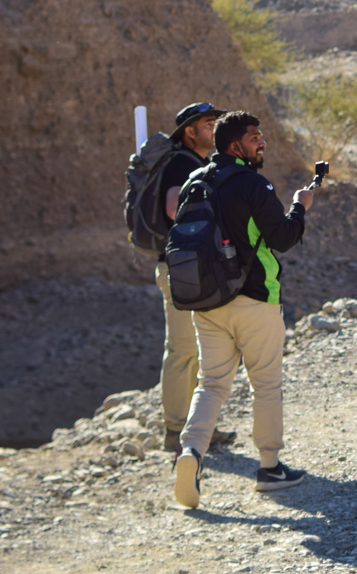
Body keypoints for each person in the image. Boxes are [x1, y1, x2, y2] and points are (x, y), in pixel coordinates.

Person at [174, 112, 314, 509]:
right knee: (265, 383)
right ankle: (270, 468)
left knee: (212, 383)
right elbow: (283, 238)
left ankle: (191, 453)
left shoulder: (194, 181)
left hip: (206, 302)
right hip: (255, 300)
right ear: (235, 146)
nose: (262, 143)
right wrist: (300, 207)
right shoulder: (254, 183)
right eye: (255, 137)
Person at [154, 102, 226, 454]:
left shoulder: (197, 163)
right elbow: (172, 207)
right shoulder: (181, 164)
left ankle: (197, 429)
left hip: (191, 266)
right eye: (208, 123)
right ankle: (174, 431)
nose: (215, 128)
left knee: (198, 350)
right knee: (182, 349)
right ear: (190, 131)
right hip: (179, 267)